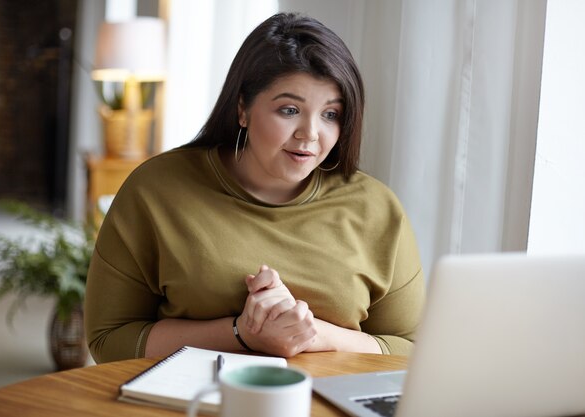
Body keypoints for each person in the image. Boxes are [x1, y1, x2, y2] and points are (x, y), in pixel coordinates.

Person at [84, 12, 425, 364]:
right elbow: (109, 339)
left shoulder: (376, 208)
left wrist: (312, 334)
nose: (309, 133)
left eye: (330, 114)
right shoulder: (155, 190)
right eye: (290, 109)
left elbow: (413, 350)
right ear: (243, 108)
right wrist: (241, 334)